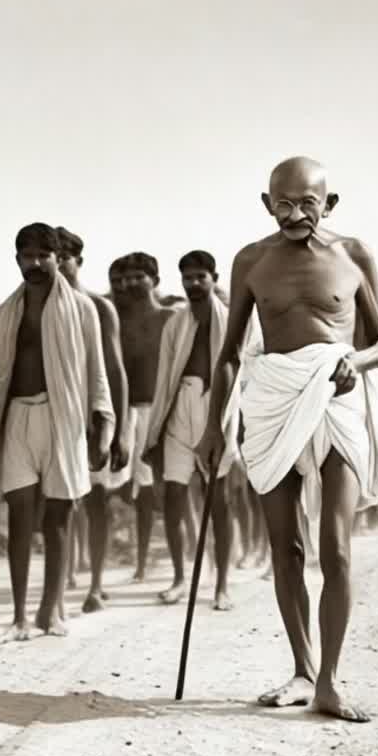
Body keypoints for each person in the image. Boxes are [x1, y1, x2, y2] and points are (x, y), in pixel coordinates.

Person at [196, 156, 378, 722]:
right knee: (286, 549)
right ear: (266, 204)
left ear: (329, 205)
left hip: (335, 400)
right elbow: (231, 352)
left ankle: (330, 682)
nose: (295, 214)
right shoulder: (251, 261)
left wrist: (355, 361)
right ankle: (303, 671)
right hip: (274, 400)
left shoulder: (354, 256)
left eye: (308, 203)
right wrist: (215, 426)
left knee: (334, 546)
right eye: (283, 203)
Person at [0, 223, 112, 639]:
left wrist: (104, 425)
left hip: (65, 418)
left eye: (43, 255)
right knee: (20, 516)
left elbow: (97, 372)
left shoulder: (81, 308)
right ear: (17, 259)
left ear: (58, 258)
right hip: (18, 416)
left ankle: (49, 610)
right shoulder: (9, 310)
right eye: (27, 255)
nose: (35, 263)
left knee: (58, 516)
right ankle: (19, 614)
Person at [141, 251, 237, 609]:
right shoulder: (176, 324)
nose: (194, 284)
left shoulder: (230, 320)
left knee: (220, 501)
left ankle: (222, 585)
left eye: (200, 277)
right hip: (180, 407)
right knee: (174, 499)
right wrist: (156, 431)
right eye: (188, 278)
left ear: (214, 278)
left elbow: (242, 372)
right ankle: (181, 578)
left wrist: (233, 426)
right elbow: (165, 380)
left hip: (218, 407)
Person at [53, 229, 128, 613]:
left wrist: (118, 432)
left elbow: (115, 371)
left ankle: (96, 585)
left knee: (97, 501)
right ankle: (59, 589)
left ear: (78, 262)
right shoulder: (37, 304)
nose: (60, 262)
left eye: (67, 256)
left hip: (93, 418)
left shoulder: (98, 307)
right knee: (60, 503)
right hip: (54, 418)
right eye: (55, 254)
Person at [102, 252, 172, 590]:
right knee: (136, 494)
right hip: (128, 414)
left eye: (138, 277)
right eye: (125, 278)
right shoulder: (118, 319)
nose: (130, 284)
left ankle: (183, 568)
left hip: (163, 412)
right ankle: (141, 564)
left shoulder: (171, 318)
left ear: (155, 281)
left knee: (173, 491)